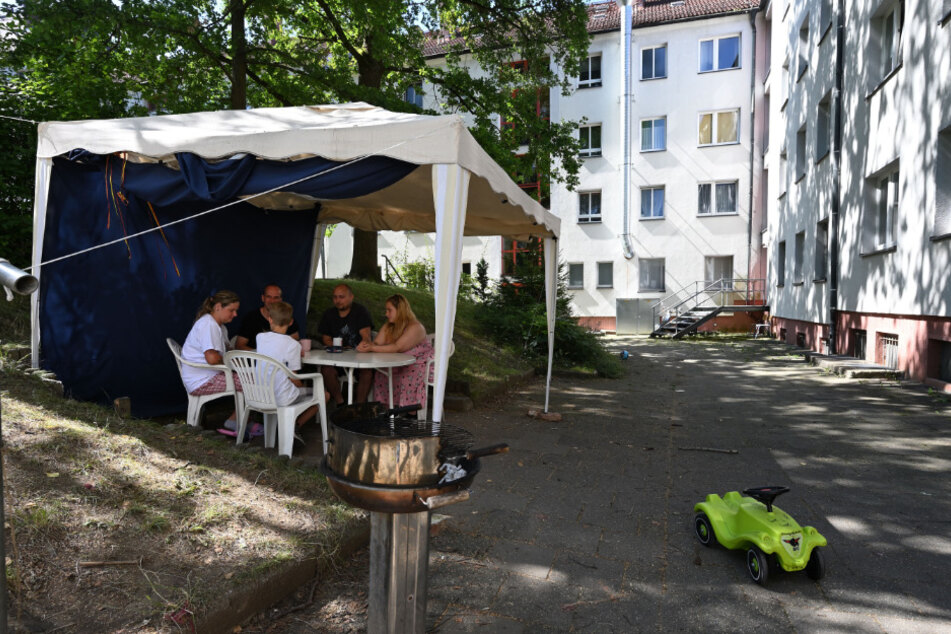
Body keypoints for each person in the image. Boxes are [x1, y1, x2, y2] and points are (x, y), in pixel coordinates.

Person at [356, 293, 433, 409]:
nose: (386, 314)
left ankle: (410, 412)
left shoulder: (416, 327)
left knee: (406, 375)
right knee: (381, 373)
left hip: (417, 364)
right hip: (397, 363)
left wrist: (372, 348)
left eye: (389, 310)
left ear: (400, 310)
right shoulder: (389, 326)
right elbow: (376, 344)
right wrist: (367, 345)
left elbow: (398, 347)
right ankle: (387, 410)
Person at [181, 290, 244, 427]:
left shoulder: (219, 327)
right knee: (253, 383)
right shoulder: (208, 325)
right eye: (231, 310)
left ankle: (242, 420)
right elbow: (212, 359)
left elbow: (227, 350)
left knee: (253, 378)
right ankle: (235, 422)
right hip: (202, 381)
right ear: (218, 307)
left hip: (207, 376)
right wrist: (233, 363)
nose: (235, 314)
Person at [256, 301, 318, 429]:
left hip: (262, 395)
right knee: (323, 394)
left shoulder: (260, 337)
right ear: (291, 322)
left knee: (300, 388)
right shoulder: (293, 345)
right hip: (283, 397)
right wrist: (303, 385)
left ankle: (290, 425)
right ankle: (295, 425)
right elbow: (294, 378)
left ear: (270, 319)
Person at [317, 284, 374, 404]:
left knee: (367, 372)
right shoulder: (329, 314)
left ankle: (358, 407)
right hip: (337, 356)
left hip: (358, 356)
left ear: (351, 297)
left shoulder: (360, 311)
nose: (338, 301)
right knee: (326, 370)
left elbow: (366, 335)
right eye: (335, 297)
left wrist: (363, 344)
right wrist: (338, 348)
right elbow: (326, 339)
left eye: (341, 297)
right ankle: (340, 402)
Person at [235, 284, 299, 351]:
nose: (272, 301)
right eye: (269, 297)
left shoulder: (286, 317)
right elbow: (239, 346)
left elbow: (295, 342)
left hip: (280, 360)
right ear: (263, 298)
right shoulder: (250, 318)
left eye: (276, 297)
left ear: (281, 299)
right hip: (254, 360)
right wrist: (261, 355)